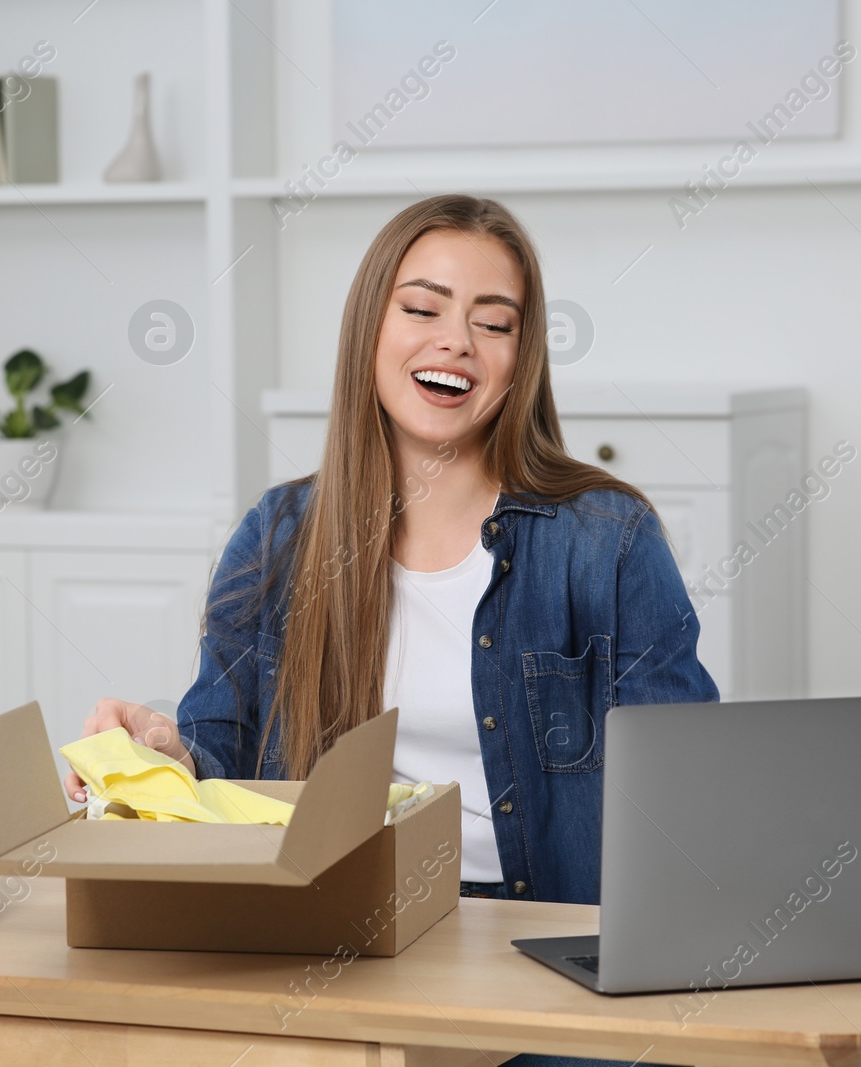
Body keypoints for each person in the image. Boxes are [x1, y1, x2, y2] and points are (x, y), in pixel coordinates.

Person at [66, 194, 717, 1067]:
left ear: (520, 361)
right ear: (370, 328)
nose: (455, 341)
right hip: (344, 936)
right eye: (422, 309)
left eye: (494, 324)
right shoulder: (280, 536)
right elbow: (219, 766)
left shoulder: (607, 540)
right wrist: (156, 748)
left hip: (548, 955)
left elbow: (688, 796)